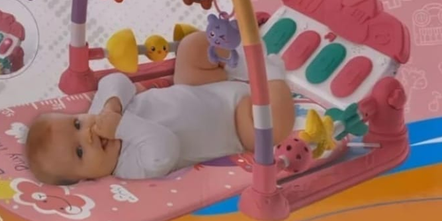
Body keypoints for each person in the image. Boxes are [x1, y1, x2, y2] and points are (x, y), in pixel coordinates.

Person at [25, 29, 294, 184]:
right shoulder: (129, 167)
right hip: (235, 124)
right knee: (270, 128)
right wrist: (121, 126)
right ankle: (273, 74)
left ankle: (239, 62)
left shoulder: (102, 113)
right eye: (80, 151)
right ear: (86, 178)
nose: (88, 134)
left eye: (76, 124)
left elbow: (116, 81)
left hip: (201, 87)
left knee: (191, 47)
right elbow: (165, 148)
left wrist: (112, 105)